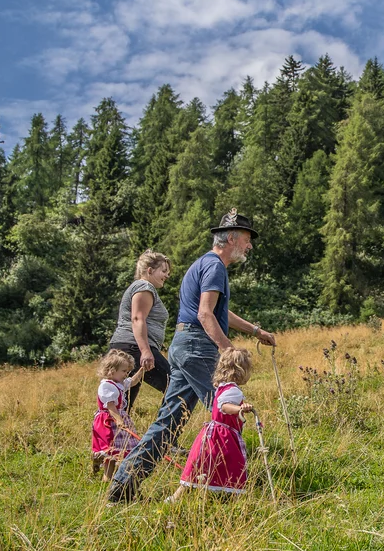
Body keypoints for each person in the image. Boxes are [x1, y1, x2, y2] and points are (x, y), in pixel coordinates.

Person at [107, 209, 276, 504]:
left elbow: (219, 313)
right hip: (199, 347)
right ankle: (228, 485)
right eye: (247, 239)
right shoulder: (216, 268)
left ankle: (123, 485)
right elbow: (205, 314)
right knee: (227, 412)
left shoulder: (204, 265)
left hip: (183, 345)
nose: (249, 246)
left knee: (168, 423)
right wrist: (228, 350)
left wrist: (255, 330)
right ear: (232, 237)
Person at [167, 347, 254, 501]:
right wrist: (239, 408)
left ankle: (182, 495)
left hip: (212, 432)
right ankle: (234, 496)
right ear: (242, 370)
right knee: (232, 463)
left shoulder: (222, 386)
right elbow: (224, 406)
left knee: (202, 462)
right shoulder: (234, 390)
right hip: (223, 436)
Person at [108, 250, 172, 414]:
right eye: (163, 271)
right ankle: (161, 435)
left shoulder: (141, 287)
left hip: (126, 347)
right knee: (176, 386)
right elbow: (137, 319)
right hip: (134, 348)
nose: (167, 275)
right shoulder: (144, 286)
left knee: (122, 404)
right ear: (150, 270)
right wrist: (145, 351)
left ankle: (115, 438)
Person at [91, 349, 146, 483]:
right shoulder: (106, 386)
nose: (126, 374)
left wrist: (142, 370)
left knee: (124, 448)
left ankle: (112, 475)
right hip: (109, 422)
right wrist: (119, 420)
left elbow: (132, 382)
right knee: (111, 450)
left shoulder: (118, 383)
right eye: (124, 371)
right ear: (111, 370)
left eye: (127, 371)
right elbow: (110, 406)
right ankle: (106, 477)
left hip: (118, 418)